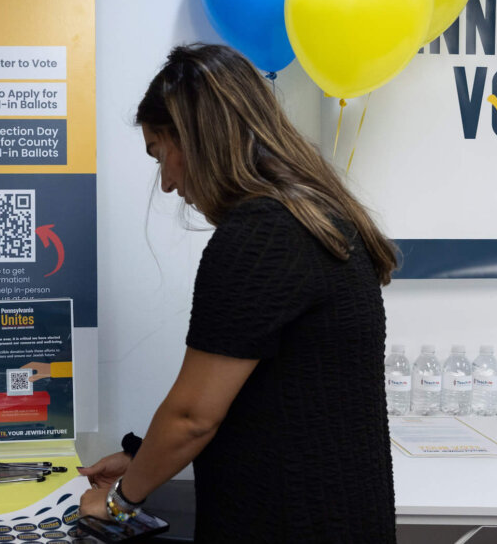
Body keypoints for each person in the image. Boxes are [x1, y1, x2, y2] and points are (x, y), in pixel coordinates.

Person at [77, 43, 398, 542]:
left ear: (196, 138)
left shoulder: (262, 233)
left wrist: (118, 505)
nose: (166, 183)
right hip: (338, 514)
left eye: (161, 154)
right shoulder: (310, 216)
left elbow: (192, 417)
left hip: (288, 522)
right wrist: (142, 455)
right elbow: (260, 390)